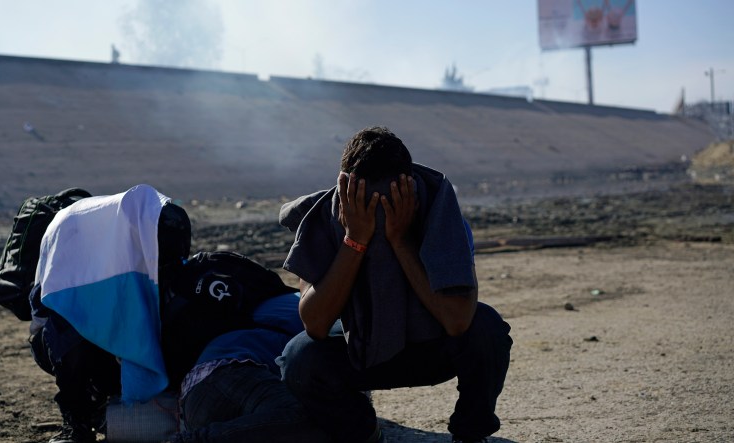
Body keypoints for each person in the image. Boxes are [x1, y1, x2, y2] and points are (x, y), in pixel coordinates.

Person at [277, 126, 513, 443]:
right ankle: (362, 431)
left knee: (486, 329)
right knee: (300, 358)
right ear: (346, 192)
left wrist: (401, 242)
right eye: (365, 204)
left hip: (430, 347)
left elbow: (457, 321)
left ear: (409, 189)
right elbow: (315, 324)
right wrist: (355, 240)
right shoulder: (330, 217)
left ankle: (470, 434)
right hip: (360, 349)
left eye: (386, 204)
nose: (376, 213)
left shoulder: (437, 211)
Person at [29, 185, 191, 443]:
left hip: (118, 351)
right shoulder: (74, 260)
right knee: (69, 330)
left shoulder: (137, 257)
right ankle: (77, 422)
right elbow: (45, 315)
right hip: (70, 348)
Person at [170, 292, 330, 443]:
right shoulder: (320, 310)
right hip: (228, 371)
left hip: (197, 399)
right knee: (304, 420)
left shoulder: (294, 301)